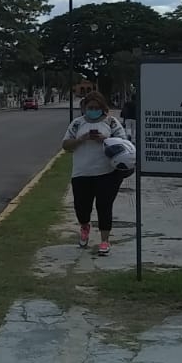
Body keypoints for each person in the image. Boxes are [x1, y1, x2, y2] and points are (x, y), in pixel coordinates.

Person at [61, 90, 128, 256]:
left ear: (102, 108)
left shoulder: (111, 123)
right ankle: (85, 226)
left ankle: (105, 241)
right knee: (81, 207)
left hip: (107, 172)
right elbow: (66, 145)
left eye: (96, 107)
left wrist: (104, 140)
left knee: (104, 206)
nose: (92, 110)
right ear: (84, 108)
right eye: (90, 107)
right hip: (82, 172)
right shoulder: (77, 124)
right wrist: (80, 139)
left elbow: (124, 144)